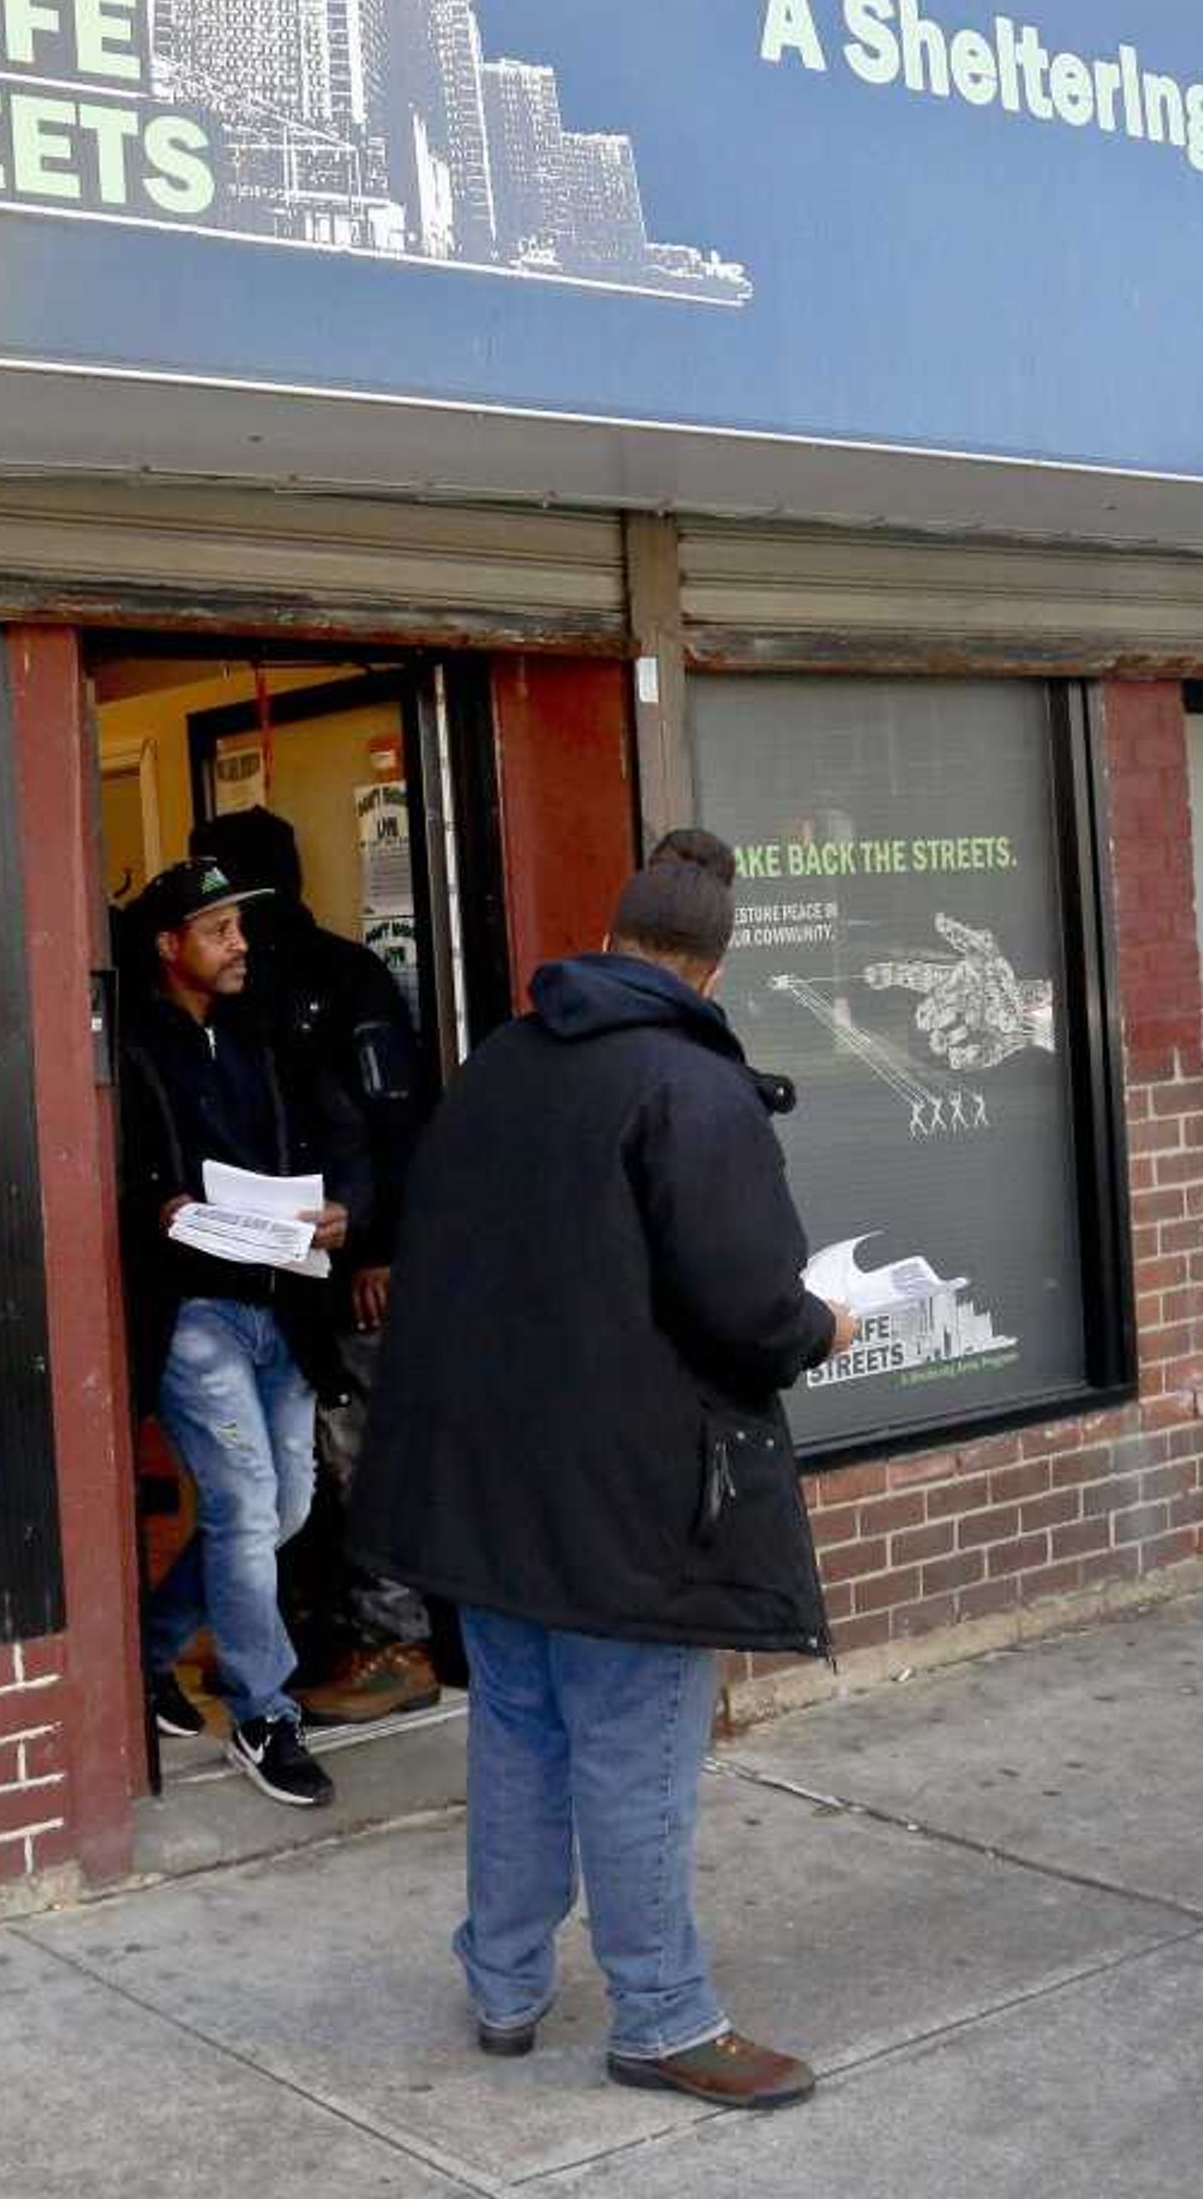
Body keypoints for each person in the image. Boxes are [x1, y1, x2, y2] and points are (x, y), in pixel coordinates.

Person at [351, 830, 855, 2108]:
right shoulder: (690, 1088)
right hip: (631, 1495)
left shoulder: (500, 1064)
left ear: (616, 937)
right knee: (634, 1752)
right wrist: (827, 1322)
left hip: (490, 1490)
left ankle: (506, 1985)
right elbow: (750, 1309)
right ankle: (665, 2017)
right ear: (711, 963)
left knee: (519, 1736)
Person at [115, 853, 369, 1809]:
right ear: (169, 945)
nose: (239, 945)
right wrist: (160, 1206)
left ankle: (145, 1650)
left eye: (240, 928)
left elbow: (342, 1132)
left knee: (279, 1509)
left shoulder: (267, 1033)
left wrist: (347, 1207)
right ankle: (262, 1708)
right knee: (248, 1501)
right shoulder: (133, 1043)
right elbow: (118, 1174)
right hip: (197, 1313)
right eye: (218, 930)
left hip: (285, 1300)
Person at [185, 803, 446, 1728]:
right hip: (274, 1272)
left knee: (360, 1455)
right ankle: (303, 1635)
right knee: (291, 1466)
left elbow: (394, 1120)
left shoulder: (339, 973)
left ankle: (397, 1645)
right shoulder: (244, 986)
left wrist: (380, 1247)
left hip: (348, 1266)